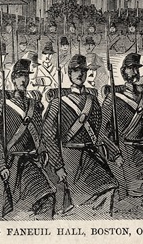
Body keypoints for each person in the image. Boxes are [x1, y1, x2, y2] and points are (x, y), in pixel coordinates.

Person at [45, 54, 116, 214]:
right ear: (69, 74)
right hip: (70, 157)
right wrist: (58, 165)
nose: (79, 74)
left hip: (90, 155)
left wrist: (114, 152)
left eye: (82, 71)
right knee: (82, 201)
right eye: (75, 71)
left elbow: (100, 132)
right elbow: (49, 136)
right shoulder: (58, 102)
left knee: (109, 186)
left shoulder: (93, 100)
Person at [0, 57, 55, 217]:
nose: (23, 79)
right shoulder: (1, 107)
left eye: (26, 76)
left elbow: (40, 133)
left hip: (30, 162)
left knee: (46, 197)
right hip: (10, 164)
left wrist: (43, 150)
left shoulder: (33, 106)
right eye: (19, 76)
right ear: (12, 79)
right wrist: (1, 165)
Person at [100, 51, 143, 216]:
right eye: (130, 68)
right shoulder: (112, 99)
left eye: (136, 68)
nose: (134, 72)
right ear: (123, 73)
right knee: (139, 188)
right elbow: (103, 133)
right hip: (124, 152)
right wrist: (115, 154)